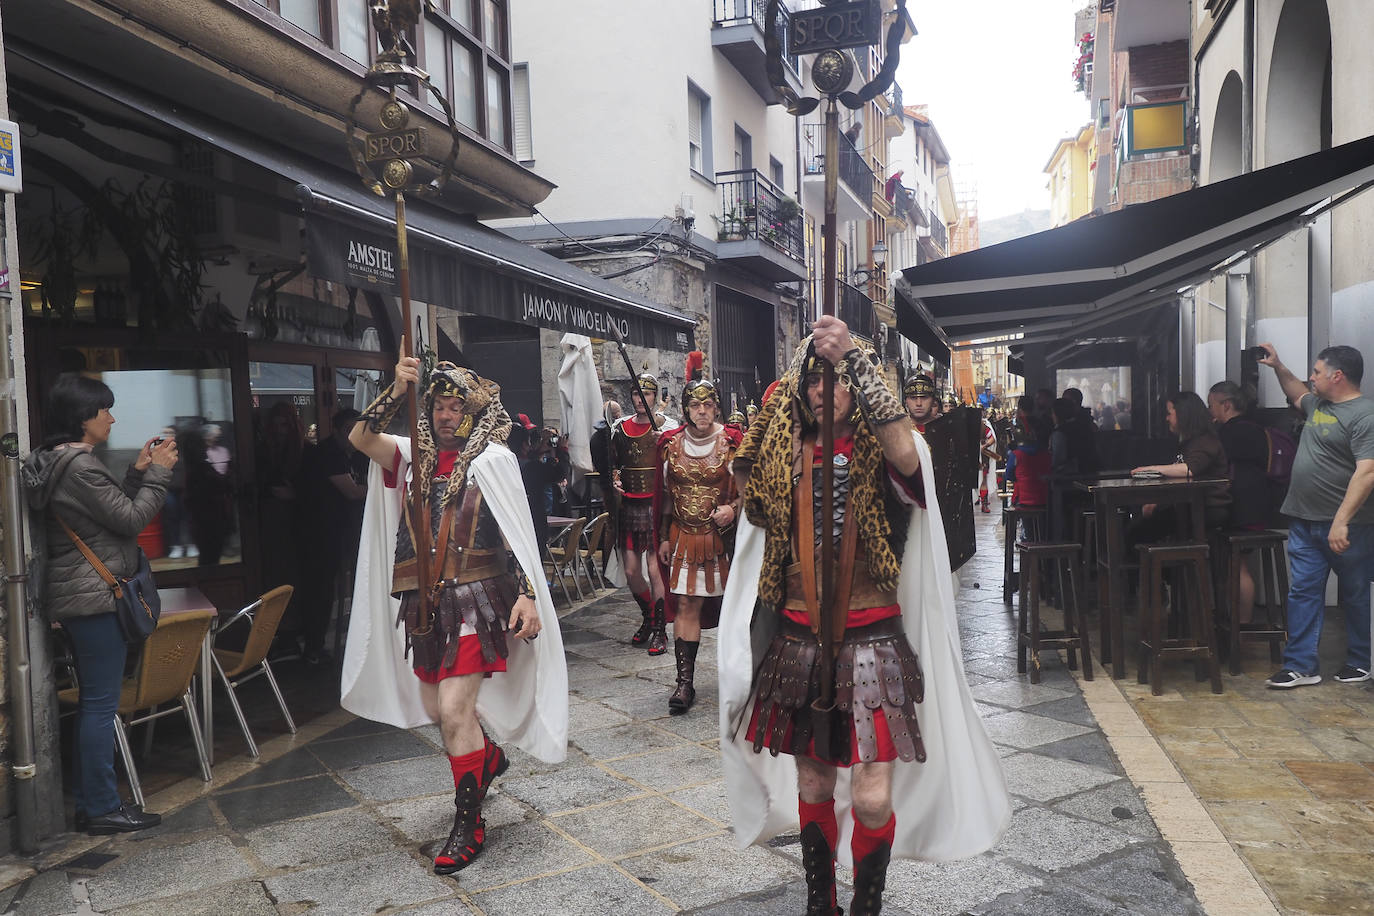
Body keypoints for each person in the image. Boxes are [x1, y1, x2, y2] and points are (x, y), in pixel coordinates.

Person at [719, 317, 1009, 916]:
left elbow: (908, 453)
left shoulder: (891, 449)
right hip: (797, 639)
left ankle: (867, 905)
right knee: (814, 781)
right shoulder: (782, 451)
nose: (827, 391)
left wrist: (854, 356)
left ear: (859, 382)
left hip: (873, 637)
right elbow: (749, 499)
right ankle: (820, 902)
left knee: (873, 795)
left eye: (840, 381)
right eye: (816, 381)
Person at [345, 352, 566, 874]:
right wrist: (398, 390)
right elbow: (360, 439)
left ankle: (468, 822)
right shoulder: (409, 456)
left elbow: (517, 533)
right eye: (438, 406)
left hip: (475, 600)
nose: (445, 415)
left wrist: (528, 594)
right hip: (425, 605)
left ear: (472, 411)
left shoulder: (493, 459)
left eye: (454, 406)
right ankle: (486, 757)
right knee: (434, 703)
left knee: (452, 709)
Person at [23, 373, 178, 834]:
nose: (111, 417)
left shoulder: (64, 463)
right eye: (104, 410)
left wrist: (135, 473)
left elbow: (106, 516)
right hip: (94, 599)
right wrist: (161, 473)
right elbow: (131, 518)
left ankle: (96, 804)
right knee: (99, 706)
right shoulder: (80, 467)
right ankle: (101, 809)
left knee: (96, 703)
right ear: (82, 417)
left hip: (84, 598)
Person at [1255, 344, 1374, 688]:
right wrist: (1277, 366)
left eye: (1318, 372)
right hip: (1303, 520)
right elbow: (1296, 391)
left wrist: (1342, 520)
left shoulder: (1365, 415)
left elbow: (1367, 472)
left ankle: (1362, 660)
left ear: (1338, 376)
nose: (1311, 377)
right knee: (1303, 591)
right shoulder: (1317, 405)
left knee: (1355, 593)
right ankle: (1301, 666)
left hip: (1349, 526)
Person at [653, 358, 740, 714]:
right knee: (686, 605)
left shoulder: (733, 443)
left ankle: (739, 675)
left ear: (715, 407)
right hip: (684, 536)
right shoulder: (670, 446)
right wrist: (662, 536)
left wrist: (733, 508)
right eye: (694, 405)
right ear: (685, 409)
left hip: (724, 540)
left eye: (707, 405)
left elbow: (752, 490)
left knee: (736, 608)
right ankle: (684, 683)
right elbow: (665, 498)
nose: (701, 411)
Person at [298, 409, 367, 664]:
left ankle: (355, 644)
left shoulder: (360, 454)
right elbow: (352, 491)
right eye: (350, 430)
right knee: (322, 589)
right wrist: (373, 490)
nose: (355, 435)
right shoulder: (326, 453)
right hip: (322, 532)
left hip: (349, 529)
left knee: (358, 584)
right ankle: (314, 648)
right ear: (338, 431)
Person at [611, 374, 671, 653]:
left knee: (653, 569)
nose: (639, 399)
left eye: (645, 394)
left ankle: (660, 629)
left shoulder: (666, 429)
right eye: (636, 394)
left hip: (654, 504)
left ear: (654, 397)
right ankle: (648, 616)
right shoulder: (619, 429)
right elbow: (615, 463)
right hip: (630, 505)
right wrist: (615, 480)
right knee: (632, 571)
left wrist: (666, 445)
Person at [1127, 391, 1232, 548]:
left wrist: (1150, 469)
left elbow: (1189, 470)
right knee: (1137, 526)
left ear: (1184, 414)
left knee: (1136, 533)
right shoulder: (1191, 442)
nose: (1167, 418)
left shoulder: (1205, 441)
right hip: (1190, 507)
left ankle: (1152, 571)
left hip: (1207, 510)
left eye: (1169, 413)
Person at [1207, 381, 1269, 623]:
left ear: (1227, 405)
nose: (1210, 411)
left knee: (1237, 566)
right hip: (1259, 505)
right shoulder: (1257, 429)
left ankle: (1239, 627)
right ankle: (1237, 625)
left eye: (1211, 405)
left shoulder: (1227, 434)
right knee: (1239, 564)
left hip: (1237, 507)